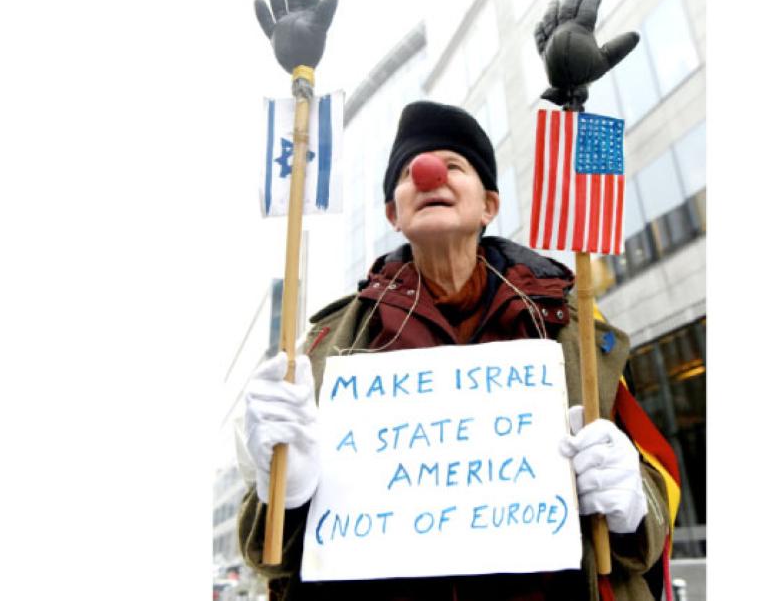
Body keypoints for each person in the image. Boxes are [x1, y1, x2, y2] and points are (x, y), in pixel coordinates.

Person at [236, 98, 672, 601]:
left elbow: (656, 490)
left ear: (489, 204)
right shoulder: (323, 348)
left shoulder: (576, 331)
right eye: (410, 172)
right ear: (392, 213)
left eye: (454, 166)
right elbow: (267, 555)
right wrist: (285, 496)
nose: (428, 175)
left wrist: (632, 502)